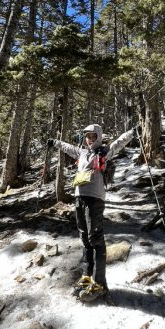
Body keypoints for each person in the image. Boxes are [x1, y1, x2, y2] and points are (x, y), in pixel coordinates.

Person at [47, 123, 138, 302]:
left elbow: (119, 142)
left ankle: (100, 283)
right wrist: (54, 142)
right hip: (79, 197)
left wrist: (132, 133)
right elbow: (67, 147)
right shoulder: (81, 152)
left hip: (95, 198)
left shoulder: (104, 151)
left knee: (95, 238)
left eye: (93, 136)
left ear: (98, 136)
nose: (89, 139)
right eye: (87, 136)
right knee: (84, 237)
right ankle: (86, 276)